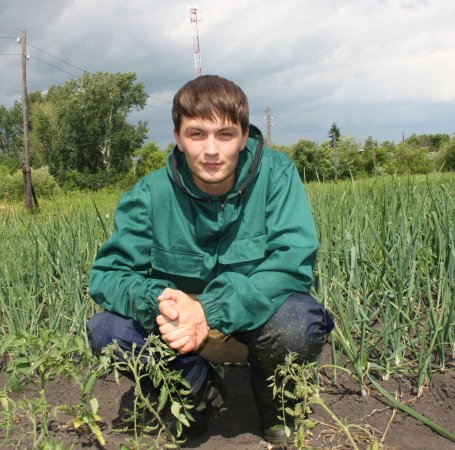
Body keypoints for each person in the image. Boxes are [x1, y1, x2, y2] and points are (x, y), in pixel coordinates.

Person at [87, 74, 334, 444]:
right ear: (178, 137)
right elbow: (108, 275)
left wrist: (208, 310)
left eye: (225, 134)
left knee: (298, 322)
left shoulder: (276, 175)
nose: (212, 150)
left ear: (244, 135)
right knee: (106, 330)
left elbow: (291, 262)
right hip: (179, 328)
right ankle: (195, 393)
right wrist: (162, 302)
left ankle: (277, 405)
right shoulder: (150, 194)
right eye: (197, 134)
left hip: (254, 319)